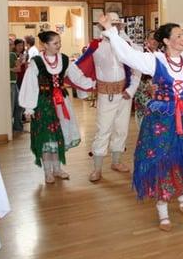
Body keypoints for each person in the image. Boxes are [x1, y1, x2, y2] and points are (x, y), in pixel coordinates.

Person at [99, 18, 183, 232]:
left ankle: (180, 193)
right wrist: (111, 31)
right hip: (160, 121)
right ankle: (162, 211)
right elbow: (127, 55)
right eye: (179, 36)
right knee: (161, 161)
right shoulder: (155, 61)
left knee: (180, 158)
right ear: (166, 40)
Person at [67, 12, 141, 182]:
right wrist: (92, 85)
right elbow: (75, 69)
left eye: (117, 25)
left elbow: (138, 67)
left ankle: (116, 162)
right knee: (103, 130)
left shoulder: (127, 45)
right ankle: (97, 168)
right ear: (102, 27)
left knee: (121, 129)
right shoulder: (95, 46)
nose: (114, 28)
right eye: (111, 25)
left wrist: (131, 89)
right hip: (105, 95)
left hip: (124, 95)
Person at [19, 31, 93, 184]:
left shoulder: (64, 60)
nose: (59, 46)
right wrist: (29, 108)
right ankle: (47, 172)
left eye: (59, 42)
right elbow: (30, 85)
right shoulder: (36, 62)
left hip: (61, 103)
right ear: (45, 45)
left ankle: (57, 169)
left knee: (58, 136)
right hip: (44, 104)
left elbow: (76, 76)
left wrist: (91, 84)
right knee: (47, 138)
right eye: (55, 43)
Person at [133, 30, 160, 128]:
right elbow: (134, 76)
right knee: (144, 125)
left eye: (157, 38)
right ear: (146, 40)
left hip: (159, 94)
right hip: (143, 93)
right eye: (152, 38)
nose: (155, 41)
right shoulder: (140, 54)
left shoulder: (162, 55)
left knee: (158, 126)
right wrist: (145, 88)